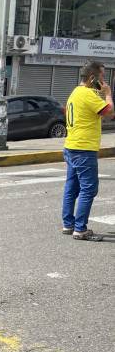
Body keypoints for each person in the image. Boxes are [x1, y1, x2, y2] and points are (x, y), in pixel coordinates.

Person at [62, 61, 115, 241]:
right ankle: (80, 229)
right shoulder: (88, 94)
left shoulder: (75, 92)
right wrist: (108, 94)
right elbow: (109, 111)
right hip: (84, 148)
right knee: (89, 189)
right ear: (92, 78)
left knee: (72, 187)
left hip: (71, 146)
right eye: (102, 77)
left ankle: (68, 224)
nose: (103, 81)